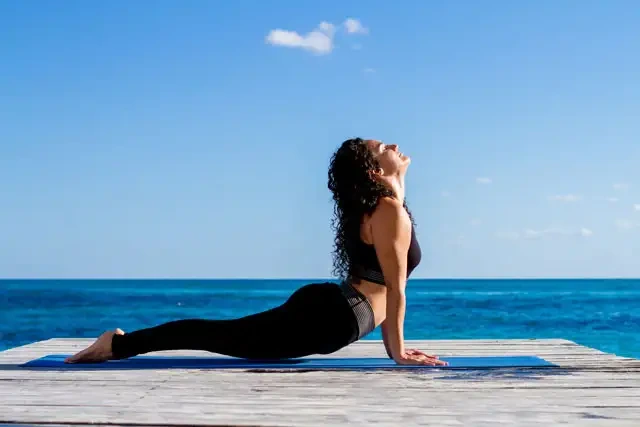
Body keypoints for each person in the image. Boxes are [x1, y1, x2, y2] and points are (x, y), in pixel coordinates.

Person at [65, 138, 447, 366]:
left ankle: (119, 342)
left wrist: (397, 178)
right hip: (329, 318)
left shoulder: (384, 207)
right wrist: (396, 353)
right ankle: (115, 344)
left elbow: (394, 240)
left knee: (224, 336)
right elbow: (396, 288)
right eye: (384, 148)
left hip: (334, 312)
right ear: (373, 174)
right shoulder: (387, 211)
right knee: (219, 336)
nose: (395, 147)